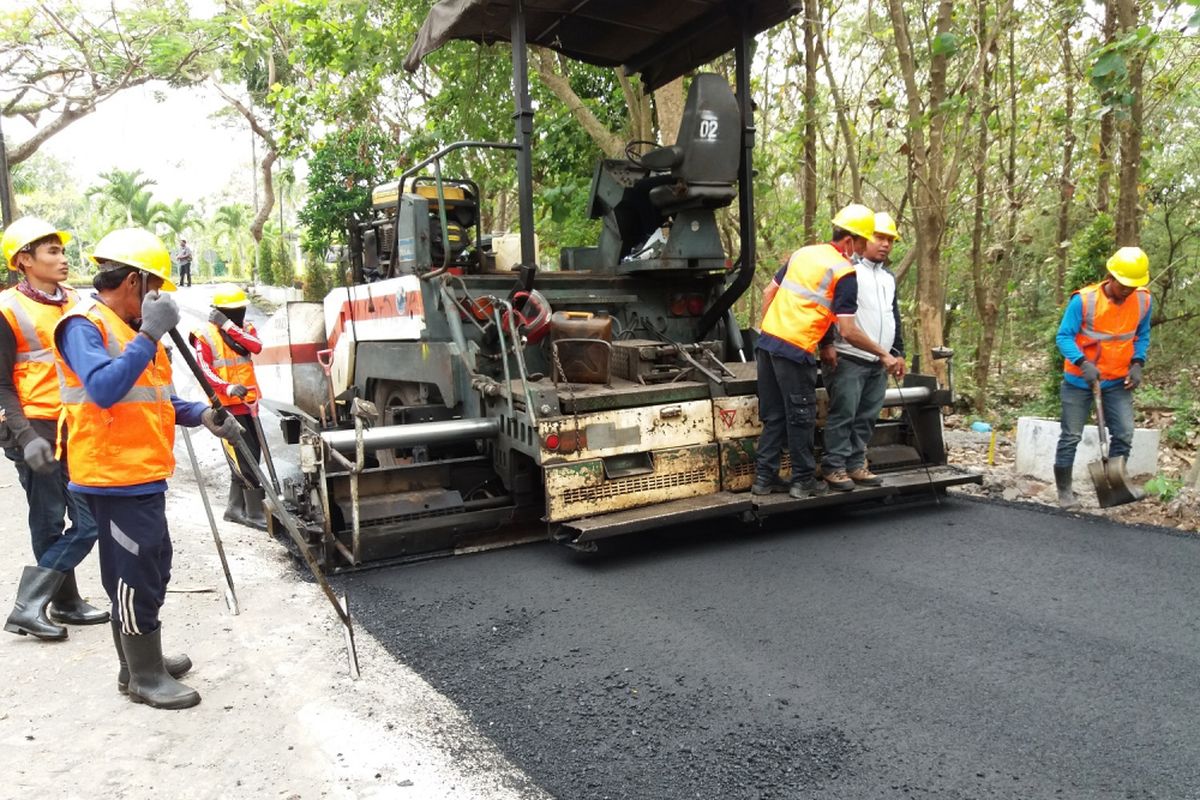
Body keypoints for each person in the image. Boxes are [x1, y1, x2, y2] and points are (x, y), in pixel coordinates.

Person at [54, 227, 241, 709]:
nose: (158, 298)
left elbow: (156, 396)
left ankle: (136, 661)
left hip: (143, 471)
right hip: (112, 475)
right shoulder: (83, 324)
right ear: (134, 280)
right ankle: (143, 675)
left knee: (153, 566)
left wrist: (201, 414)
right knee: (132, 574)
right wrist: (150, 332)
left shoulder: (131, 330)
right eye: (154, 285)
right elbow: (104, 389)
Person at [1, 217, 108, 640]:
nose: (63, 259)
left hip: (74, 425)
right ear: (24, 260)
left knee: (87, 519)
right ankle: (47, 604)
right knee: (49, 519)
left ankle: (50, 602)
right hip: (35, 428)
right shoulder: (7, 309)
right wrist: (25, 438)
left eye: (62, 251)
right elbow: (2, 384)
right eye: (52, 251)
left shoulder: (76, 302)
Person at [753, 204, 902, 499]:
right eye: (863, 241)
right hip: (795, 349)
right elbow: (847, 330)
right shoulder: (845, 272)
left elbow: (769, 292)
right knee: (801, 416)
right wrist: (884, 354)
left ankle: (764, 478)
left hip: (767, 343)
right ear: (850, 241)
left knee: (775, 416)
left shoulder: (804, 253)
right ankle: (804, 480)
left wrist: (770, 330)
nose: (862, 248)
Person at [1053, 246, 1151, 508]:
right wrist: (1082, 362)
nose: (1127, 290)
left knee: (1124, 433)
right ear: (1110, 276)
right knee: (1071, 435)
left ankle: (1115, 486)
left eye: (1133, 285)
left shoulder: (1143, 300)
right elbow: (1063, 336)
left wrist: (1138, 363)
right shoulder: (1084, 301)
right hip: (1079, 381)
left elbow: (1141, 335)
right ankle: (1064, 492)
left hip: (1118, 380)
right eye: (1123, 285)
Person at [819, 212, 907, 492]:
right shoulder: (847, 269)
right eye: (880, 238)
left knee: (867, 416)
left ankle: (856, 464)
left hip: (879, 361)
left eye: (890, 240)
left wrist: (899, 351)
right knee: (843, 414)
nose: (885, 245)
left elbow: (893, 315)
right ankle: (834, 466)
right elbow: (824, 308)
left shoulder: (888, 277)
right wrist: (826, 343)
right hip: (849, 357)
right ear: (864, 238)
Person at [189, 284, 266, 528]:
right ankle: (253, 512)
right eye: (232, 311)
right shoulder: (204, 334)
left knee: (253, 455)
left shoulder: (244, 329)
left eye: (240, 310)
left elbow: (255, 346)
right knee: (244, 459)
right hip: (226, 408)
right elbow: (204, 369)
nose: (239, 314)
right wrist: (228, 387)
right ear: (218, 310)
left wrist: (228, 325)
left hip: (249, 404)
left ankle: (234, 509)